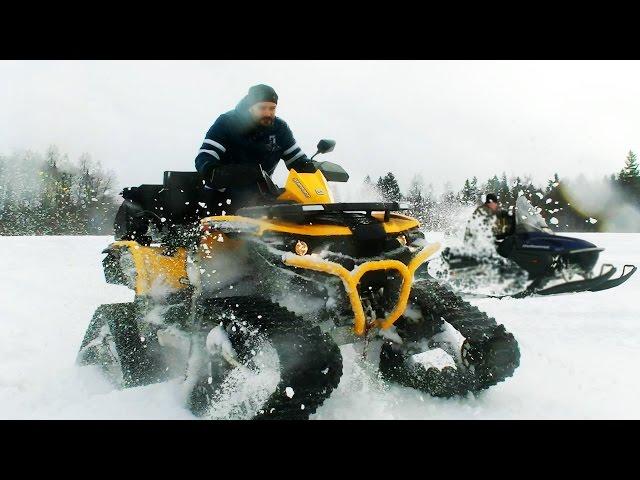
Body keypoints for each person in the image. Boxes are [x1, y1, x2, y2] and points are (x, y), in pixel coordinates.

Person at [194, 84, 317, 211]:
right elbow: (205, 157)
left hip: (261, 196)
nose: (268, 113)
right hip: (222, 196)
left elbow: (297, 160)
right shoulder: (227, 123)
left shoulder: (279, 129)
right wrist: (215, 172)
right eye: (262, 108)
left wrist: (314, 168)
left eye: (272, 108)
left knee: (296, 212)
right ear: (250, 107)